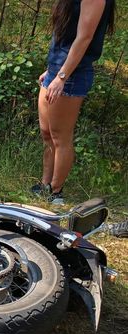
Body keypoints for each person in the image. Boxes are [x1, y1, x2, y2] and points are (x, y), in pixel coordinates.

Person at [33, 0, 115, 205]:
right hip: (57, 70)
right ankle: (44, 186)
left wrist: (61, 77)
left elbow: (84, 37)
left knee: (61, 137)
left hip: (72, 75)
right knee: (47, 133)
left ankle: (55, 192)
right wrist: (51, 70)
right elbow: (65, 38)